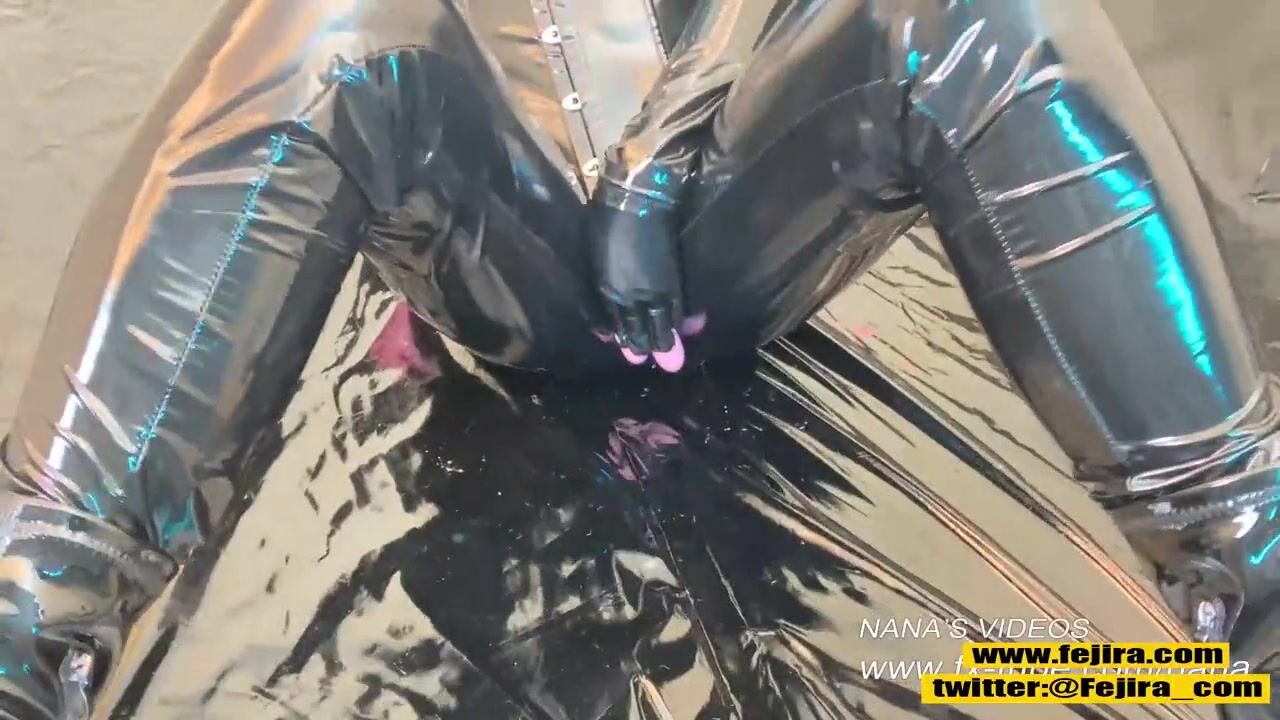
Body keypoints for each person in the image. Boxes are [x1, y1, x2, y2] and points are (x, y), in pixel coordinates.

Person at [1, 0, 1276, 716]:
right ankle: (36, 608)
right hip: (500, 216)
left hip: (726, 212)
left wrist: (676, 130)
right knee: (325, 30)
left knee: (978, 14)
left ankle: (1248, 560)